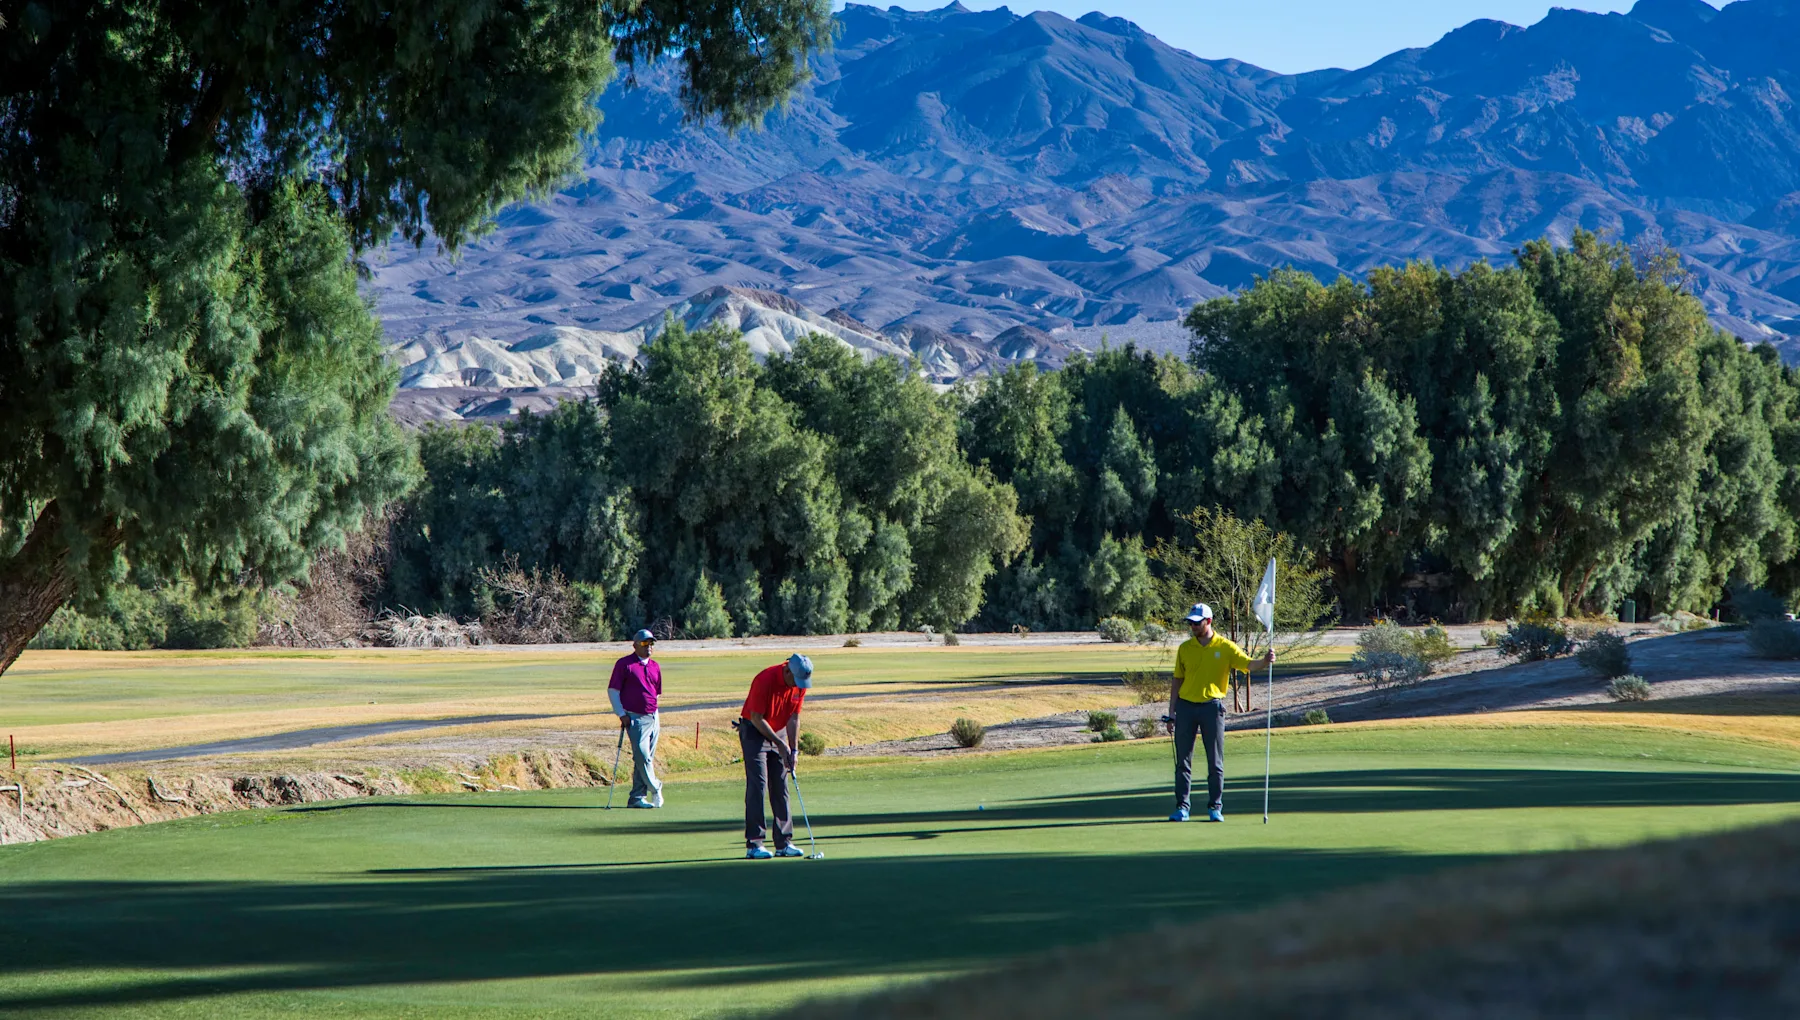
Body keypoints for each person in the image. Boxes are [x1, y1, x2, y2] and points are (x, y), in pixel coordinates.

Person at [1167, 603, 1273, 822]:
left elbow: (1248, 665)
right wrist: (1171, 713)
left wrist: (1265, 661)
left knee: (1215, 762)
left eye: (1197, 622)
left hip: (1212, 708)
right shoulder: (1185, 648)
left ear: (1209, 621)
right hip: (1185, 707)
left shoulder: (1225, 647)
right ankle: (1182, 807)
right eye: (1190, 623)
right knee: (1182, 763)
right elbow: (1177, 680)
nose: (1193, 626)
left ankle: (1215, 807)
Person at [738, 653, 813, 859]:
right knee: (758, 785)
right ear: (787, 670)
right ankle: (754, 844)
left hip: (778, 730)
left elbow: (794, 717)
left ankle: (784, 842)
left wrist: (793, 749)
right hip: (754, 731)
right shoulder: (765, 679)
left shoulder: (799, 683)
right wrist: (780, 744)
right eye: (794, 680)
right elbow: (756, 717)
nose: (796, 685)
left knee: (781, 785)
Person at [608, 628, 663, 808]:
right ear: (635, 645)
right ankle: (655, 787)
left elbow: (656, 693)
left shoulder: (655, 666)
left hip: (653, 716)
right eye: (644, 643)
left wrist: (655, 713)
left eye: (651, 643)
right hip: (635, 718)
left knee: (647, 759)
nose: (649, 647)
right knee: (641, 756)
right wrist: (621, 714)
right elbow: (613, 691)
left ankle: (637, 797)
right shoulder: (625, 664)